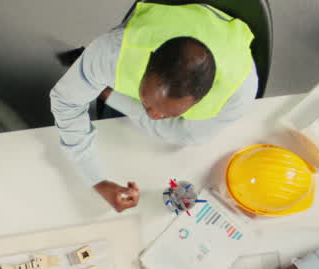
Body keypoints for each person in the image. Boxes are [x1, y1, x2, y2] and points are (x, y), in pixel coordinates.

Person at [50, 2, 257, 213]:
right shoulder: (112, 52)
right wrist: (96, 180)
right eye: (145, 100)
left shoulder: (237, 95)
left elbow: (187, 136)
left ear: (203, 98)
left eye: (170, 114)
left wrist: (112, 96)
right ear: (147, 62)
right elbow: (66, 102)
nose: (153, 115)